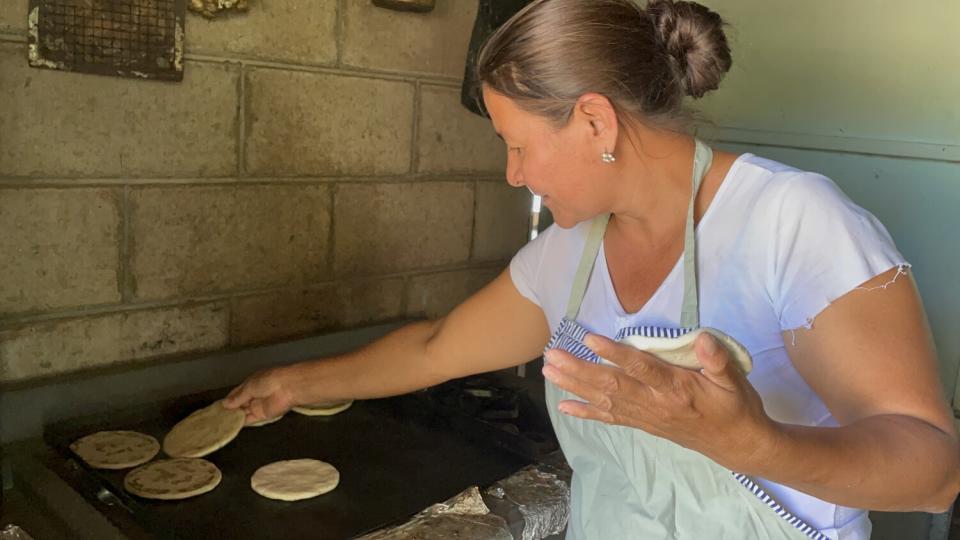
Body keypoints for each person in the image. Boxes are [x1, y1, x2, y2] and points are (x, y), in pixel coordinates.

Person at [224, 0, 960, 537]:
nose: (512, 175)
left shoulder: (792, 223)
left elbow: (934, 474)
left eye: (517, 145)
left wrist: (751, 443)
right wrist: (293, 383)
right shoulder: (566, 259)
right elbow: (434, 348)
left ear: (596, 123)